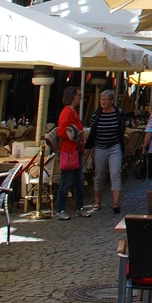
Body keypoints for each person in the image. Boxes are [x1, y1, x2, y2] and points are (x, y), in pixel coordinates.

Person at [88, 89, 127, 214]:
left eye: (106, 100)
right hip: (100, 147)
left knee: (115, 174)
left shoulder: (118, 114)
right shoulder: (96, 115)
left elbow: (122, 129)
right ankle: (97, 202)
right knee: (99, 175)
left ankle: (116, 204)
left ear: (112, 101)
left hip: (114, 147)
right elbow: (93, 130)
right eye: (101, 99)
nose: (103, 102)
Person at [55, 86, 91, 220]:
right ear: (72, 96)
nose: (81, 97)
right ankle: (60, 209)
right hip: (68, 151)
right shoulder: (67, 112)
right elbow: (61, 131)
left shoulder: (74, 112)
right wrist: (76, 133)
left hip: (75, 150)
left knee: (78, 181)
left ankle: (80, 207)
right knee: (66, 182)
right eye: (79, 95)